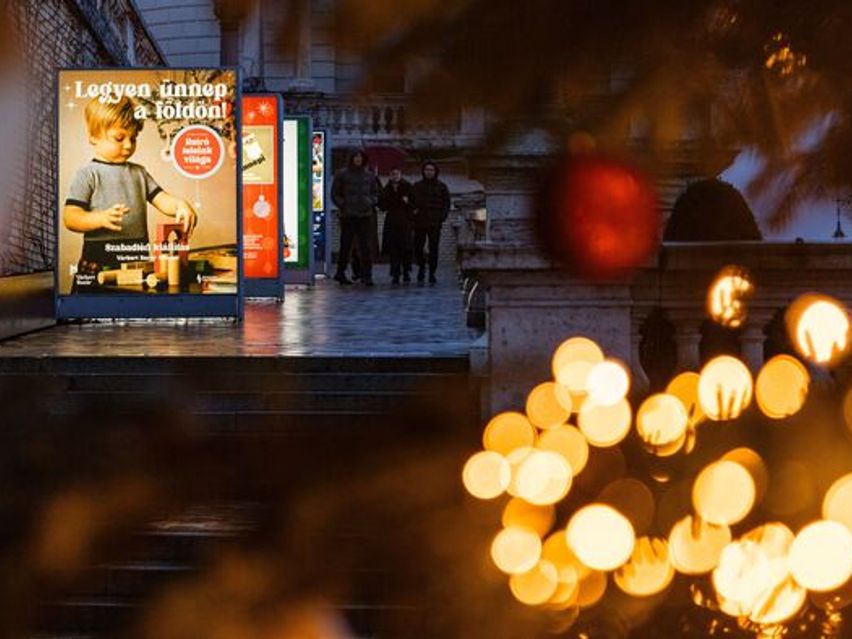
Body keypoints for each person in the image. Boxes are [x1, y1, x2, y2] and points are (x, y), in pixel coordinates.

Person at [63, 96, 198, 291]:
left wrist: (180, 205)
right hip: (100, 257)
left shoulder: (139, 173)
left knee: (136, 298)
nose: (128, 145)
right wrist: (100, 218)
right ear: (93, 136)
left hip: (136, 254)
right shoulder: (87, 174)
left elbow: (162, 199)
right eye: (119, 138)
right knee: (94, 300)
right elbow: (70, 217)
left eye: (133, 138)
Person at [331, 150, 379, 286]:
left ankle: (367, 275)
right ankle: (340, 273)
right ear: (351, 158)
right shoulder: (342, 174)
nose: (358, 159)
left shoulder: (369, 175)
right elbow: (335, 193)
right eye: (356, 157)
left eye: (360, 157)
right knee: (345, 246)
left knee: (366, 247)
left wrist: (370, 202)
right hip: (348, 215)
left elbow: (376, 193)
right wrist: (343, 205)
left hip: (365, 215)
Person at [411, 161, 451, 285]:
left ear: (435, 172)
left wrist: (442, 217)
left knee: (433, 248)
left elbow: (446, 204)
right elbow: (411, 202)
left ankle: (432, 272)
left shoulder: (442, 187)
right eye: (427, 170)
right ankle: (421, 267)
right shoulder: (417, 186)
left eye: (431, 170)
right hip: (420, 222)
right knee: (418, 247)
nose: (429, 172)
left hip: (435, 222)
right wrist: (414, 213)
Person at [379, 167, 414, 285]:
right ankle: (395, 273)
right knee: (393, 249)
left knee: (406, 248)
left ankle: (406, 271)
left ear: (400, 174)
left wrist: (408, 202)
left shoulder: (407, 186)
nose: (395, 176)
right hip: (392, 221)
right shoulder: (387, 188)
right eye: (392, 174)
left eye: (396, 173)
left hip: (405, 221)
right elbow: (382, 204)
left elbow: (414, 203)